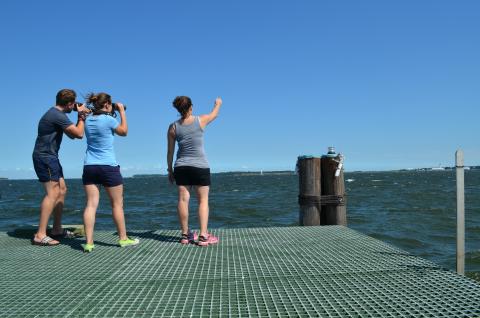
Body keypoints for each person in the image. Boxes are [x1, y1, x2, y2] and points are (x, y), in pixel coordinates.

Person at [80, 92, 139, 253]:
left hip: (90, 166)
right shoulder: (109, 120)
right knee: (117, 205)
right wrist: (122, 112)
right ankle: (123, 239)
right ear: (107, 104)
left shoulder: (88, 119)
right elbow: (124, 131)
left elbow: (89, 113)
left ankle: (89, 243)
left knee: (91, 204)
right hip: (108, 166)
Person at [32, 89, 89, 246]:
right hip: (45, 157)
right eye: (74, 103)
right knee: (53, 193)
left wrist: (80, 117)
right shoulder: (57, 115)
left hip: (51, 157)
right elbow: (79, 134)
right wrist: (81, 116)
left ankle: (56, 229)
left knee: (62, 189)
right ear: (70, 104)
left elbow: (72, 134)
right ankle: (40, 234)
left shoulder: (58, 115)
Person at [167, 96, 222, 246]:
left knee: (183, 199)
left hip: (181, 166)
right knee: (203, 200)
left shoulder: (173, 127)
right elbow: (214, 114)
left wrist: (170, 170)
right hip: (200, 166)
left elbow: (170, 152)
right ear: (191, 107)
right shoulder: (200, 120)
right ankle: (203, 236)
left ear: (178, 109)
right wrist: (217, 104)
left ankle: (185, 235)